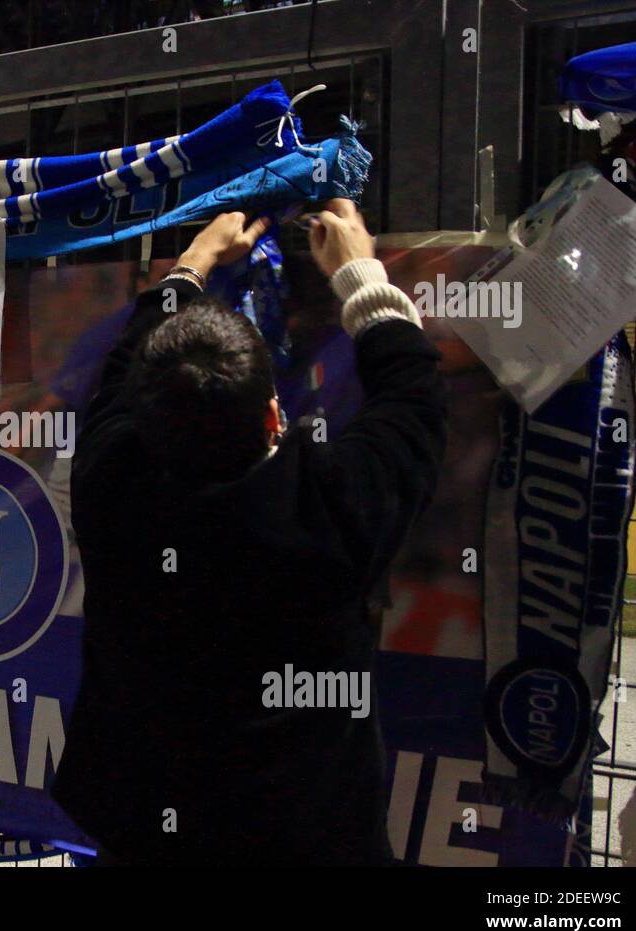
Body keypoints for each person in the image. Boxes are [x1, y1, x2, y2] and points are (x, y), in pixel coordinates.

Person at [51, 200, 448, 866]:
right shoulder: (333, 505)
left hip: (146, 835)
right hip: (305, 844)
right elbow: (412, 395)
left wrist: (193, 262)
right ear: (274, 413)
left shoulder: (107, 480)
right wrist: (359, 274)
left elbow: (122, 371)